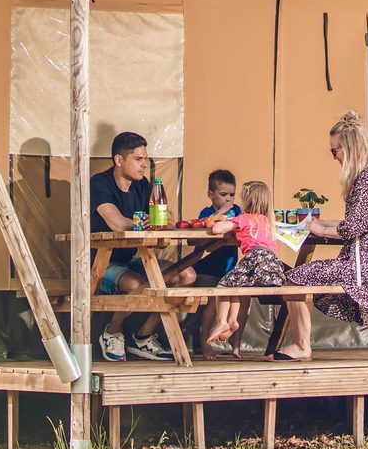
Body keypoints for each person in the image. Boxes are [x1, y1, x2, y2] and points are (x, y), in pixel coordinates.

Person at [272, 111, 368, 362]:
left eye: (334, 151)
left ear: (348, 148)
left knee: (296, 277)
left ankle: (301, 345)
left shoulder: (367, 180)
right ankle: (299, 344)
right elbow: (358, 223)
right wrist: (320, 224)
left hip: (367, 266)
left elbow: (353, 228)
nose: (334, 157)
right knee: (299, 276)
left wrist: (320, 229)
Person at [90, 131, 194, 361]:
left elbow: (167, 219)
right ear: (119, 160)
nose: (144, 165)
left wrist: (157, 223)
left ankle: (144, 336)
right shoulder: (99, 183)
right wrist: (143, 223)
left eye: (145, 159)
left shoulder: (144, 185)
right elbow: (116, 223)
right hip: (100, 262)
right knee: (142, 284)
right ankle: (113, 330)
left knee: (185, 275)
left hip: (131, 259)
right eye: (138, 159)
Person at [204, 181, 285, 359]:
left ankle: (222, 322)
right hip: (272, 267)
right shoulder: (269, 221)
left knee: (223, 287)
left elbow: (217, 229)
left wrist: (222, 220)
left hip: (255, 260)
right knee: (236, 285)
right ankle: (233, 320)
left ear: (246, 201)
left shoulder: (243, 218)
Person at [193, 169, 241, 355]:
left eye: (232, 195)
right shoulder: (206, 214)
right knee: (215, 299)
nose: (228, 199)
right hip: (207, 268)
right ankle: (205, 341)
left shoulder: (237, 211)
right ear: (210, 195)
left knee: (243, 298)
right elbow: (199, 234)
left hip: (229, 270)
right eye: (223, 195)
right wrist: (220, 213)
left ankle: (236, 344)